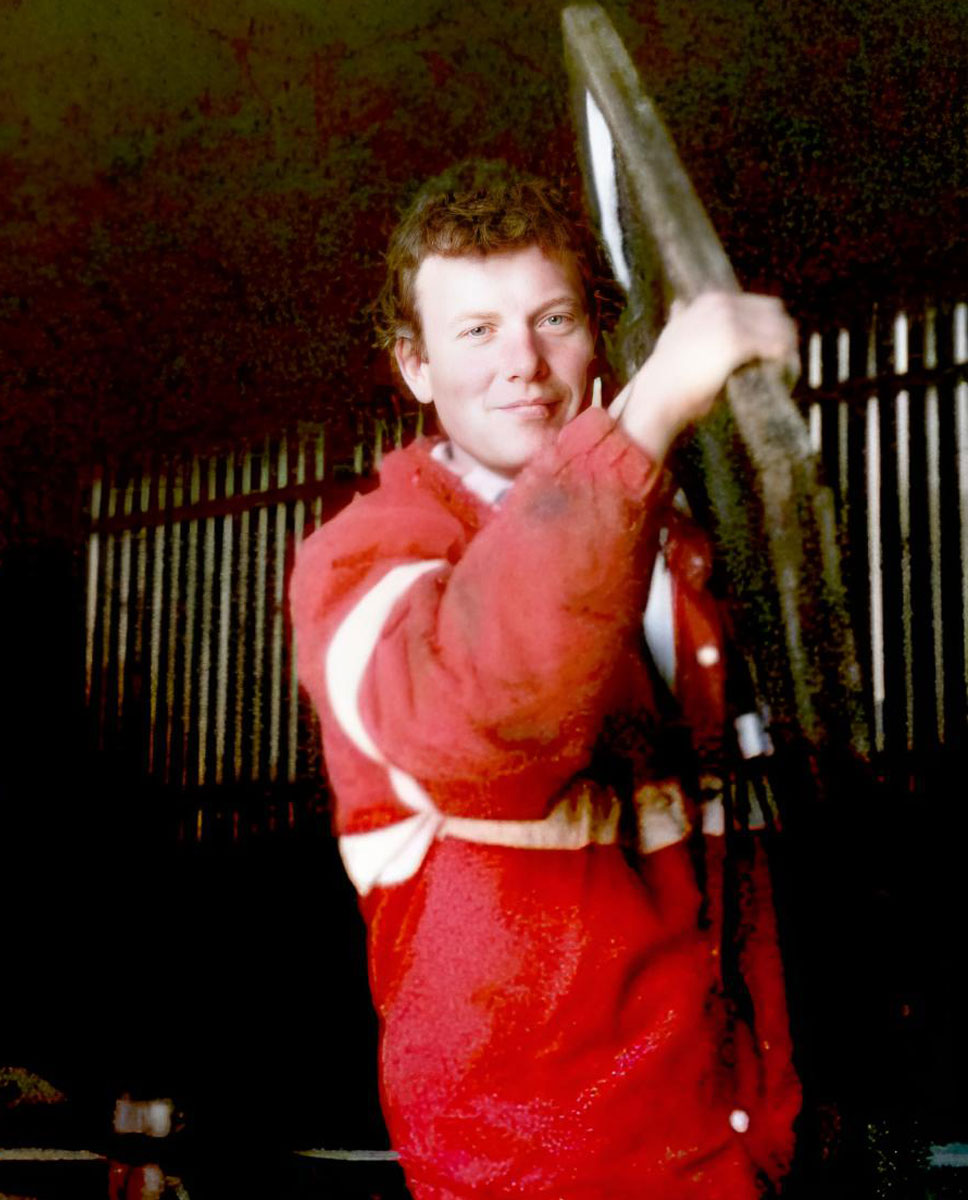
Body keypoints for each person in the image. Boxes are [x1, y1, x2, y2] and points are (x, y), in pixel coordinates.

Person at [289, 162, 803, 1198]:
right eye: (476, 330)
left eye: (553, 318)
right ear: (414, 367)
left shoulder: (670, 554)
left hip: (721, 1146)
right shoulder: (366, 562)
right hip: (534, 1171)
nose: (523, 361)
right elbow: (485, 713)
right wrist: (643, 418)